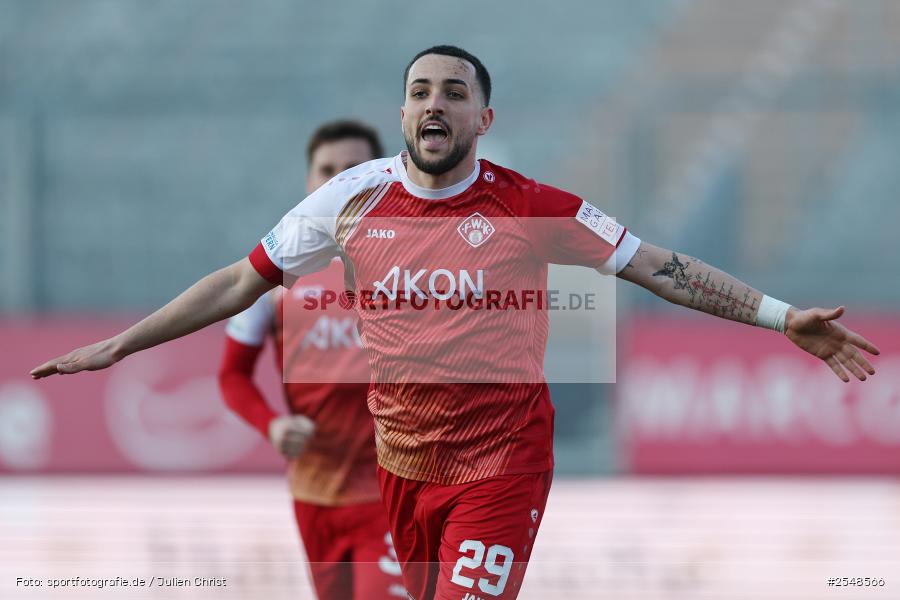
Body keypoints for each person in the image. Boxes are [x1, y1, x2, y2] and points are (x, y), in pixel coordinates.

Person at [31, 45, 880, 600]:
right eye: (419, 92)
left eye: (454, 93)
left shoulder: (530, 208)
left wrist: (778, 318)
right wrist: (120, 344)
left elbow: (659, 266)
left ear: (484, 119)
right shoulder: (349, 199)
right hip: (399, 467)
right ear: (403, 114)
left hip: (501, 466)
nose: (434, 104)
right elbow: (235, 283)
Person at [218, 120, 405, 600]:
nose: (341, 183)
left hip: (392, 492)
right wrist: (272, 426)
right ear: (309, 184)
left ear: (383, 178)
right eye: (327, 171)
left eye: (355, 170)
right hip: (313, 492)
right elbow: (232, 375)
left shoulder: (416, 268)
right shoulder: (275, 277)